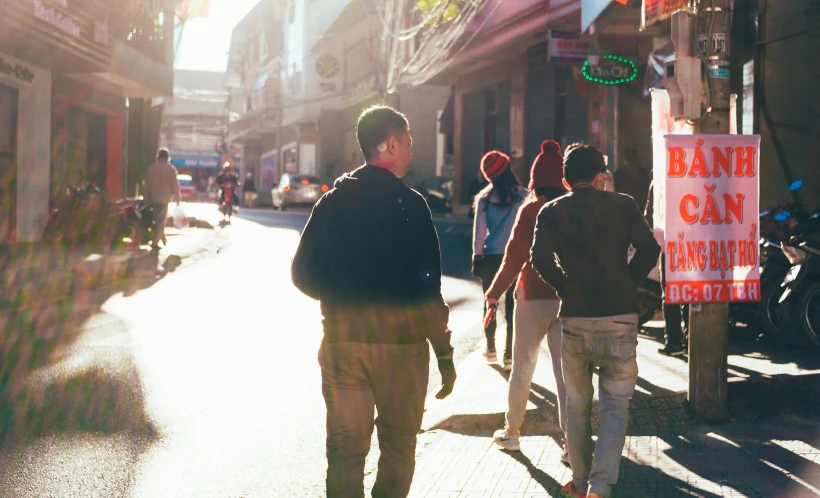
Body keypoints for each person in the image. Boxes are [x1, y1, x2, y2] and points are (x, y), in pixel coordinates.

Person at [291, 104, 456, 498]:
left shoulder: (332, 202)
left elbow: (301, 274)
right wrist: (444, 355)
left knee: (346, 453)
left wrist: (340, 298)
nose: (412, 151)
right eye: (410, 142)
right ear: (392, 144)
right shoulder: (412, 205)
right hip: (401, 351)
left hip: (342, 345)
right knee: (398, 448)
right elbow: (428, 290)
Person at [531, 144, 660, 498]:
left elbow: (538, 258)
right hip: (620, 316)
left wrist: (565, 286)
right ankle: (600, 488)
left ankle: (579, 481)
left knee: (577, 405)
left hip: (574, 318)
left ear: (565, 179)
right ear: (602, 175)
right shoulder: (623, 204)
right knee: (615, 405)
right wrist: (627, 282)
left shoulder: (552, 210)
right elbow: (650, 248)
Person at [484, 140, 568, 461]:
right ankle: (572, 447)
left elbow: (512, 260)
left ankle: (512, 433)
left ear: (535, 178)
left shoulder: (530, 209)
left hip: (531, 298)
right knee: (567, 375)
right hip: (567, 301)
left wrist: (492, 296)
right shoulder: (571, 207)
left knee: (522, 368)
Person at [472, 150, 528, 369]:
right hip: (516, 256)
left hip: (490, 256)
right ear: (508, 169)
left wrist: (477, 256)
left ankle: (491, 348)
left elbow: (479, 232)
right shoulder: (524, 196)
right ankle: (509, 354)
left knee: (491, 302)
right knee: (514, 307)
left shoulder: (484, 200)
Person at [645, 181, 688, 356]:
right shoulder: (694, 176)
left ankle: (675, 343)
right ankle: (692, 340)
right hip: (694, 243)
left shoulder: (660, 181)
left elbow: (649, 215)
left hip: (669, 244)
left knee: (670, 295)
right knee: (691, 293)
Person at [143, 149, 181, 251]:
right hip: (165, 199)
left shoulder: (151, 169)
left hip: (153, 198)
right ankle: (156, 241)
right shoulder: (171, 169)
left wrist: (145, 198)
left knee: (156, 219)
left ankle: (161, 236)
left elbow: (146, 185)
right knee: (160, 220)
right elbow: (175, 185)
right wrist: (177, 199)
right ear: (168, 157)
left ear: (158, 157)